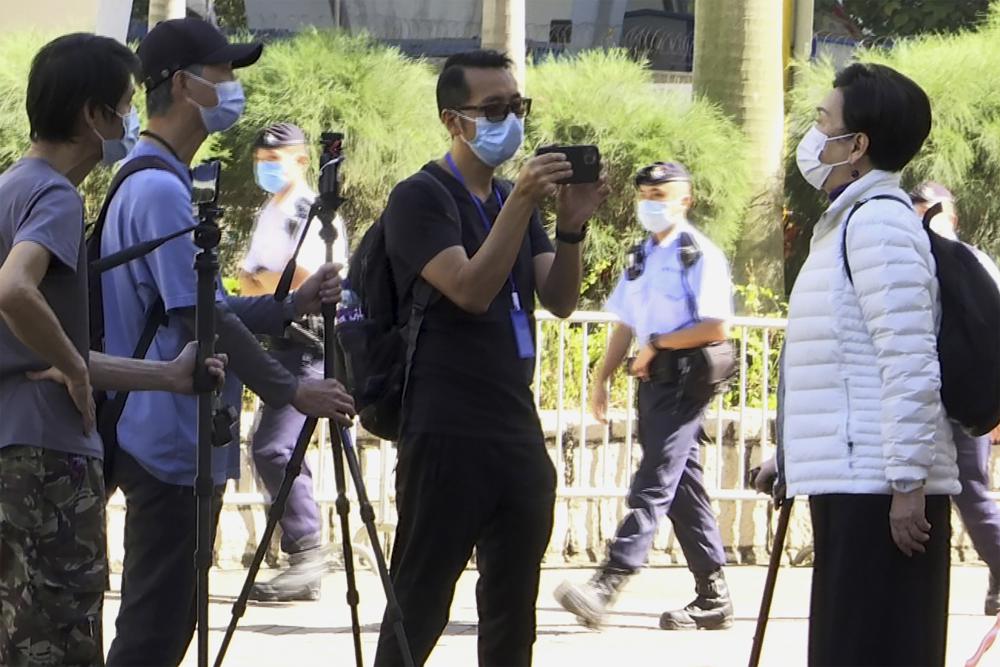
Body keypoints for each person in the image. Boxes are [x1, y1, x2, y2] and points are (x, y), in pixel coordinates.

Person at [98, 19, 355, 666]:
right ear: (184, 85)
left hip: (165, 436)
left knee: (165, 621)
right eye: (224, 74)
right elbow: (197, 318)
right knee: (157, 630)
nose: (233, 88)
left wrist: (287, 305)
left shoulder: (154, 177)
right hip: (166, 442)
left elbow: (196, 300)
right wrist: (290, 387)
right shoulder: (158, 186)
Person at [372, 49, 609, 666]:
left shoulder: (511, 199)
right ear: (454, 121)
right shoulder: (420, 198)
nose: (510, 119)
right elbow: (472, 289)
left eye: (517, 106)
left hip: (514, 427)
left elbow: (557, 298)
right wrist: (523, 203)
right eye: (494, 109)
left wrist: (572, 229)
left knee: (512, 613)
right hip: (445, 425)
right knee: (419, 604)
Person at [0, 33, 225, 666]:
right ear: (92, 115)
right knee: (61, 641)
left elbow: (44, 352)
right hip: (48, 463)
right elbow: (15, 292)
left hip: (12, 450)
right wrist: (74, 367)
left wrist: (169, 376)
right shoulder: (55, 195)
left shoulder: (10, 189)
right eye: (124, 107)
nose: (131, 120)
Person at [782, 63, 958, 666]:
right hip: (854, 482)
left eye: (822, 122)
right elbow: (838, 364)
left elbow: (909, 361)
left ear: (856, 145)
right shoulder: (848, 223)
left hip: (882, 493)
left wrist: (907, 485)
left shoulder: (879, 223)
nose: (812, 135)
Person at [554, 161, 735, 632]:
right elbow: (626, 320)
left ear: (685, 200)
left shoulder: (699, 254)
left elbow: (716, 326)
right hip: (654, 382)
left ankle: (607, 583)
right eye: (646, 196)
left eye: (662, 196)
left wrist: (658, 345)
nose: (652, 204)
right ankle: (713, 595)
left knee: (654, 481)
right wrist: (602, 375)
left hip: (686, 380)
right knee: (682, 486)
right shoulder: (643, 256)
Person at [239, 122, 350, 602]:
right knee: (270, 446)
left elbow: (309, 278)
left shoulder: (305, 210)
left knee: (273, 448)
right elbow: (252, 283)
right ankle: (302, 555)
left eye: (276, 156)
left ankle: (306, 555)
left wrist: (263, 280)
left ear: (303, 160)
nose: (267, 164)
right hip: (284, 339)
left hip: (308, 341)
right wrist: (262, 281)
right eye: (262, 156)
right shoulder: (274, 209)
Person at [910, 181, 1000, 615]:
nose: (922, 218)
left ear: (952, 216)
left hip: (963, 400)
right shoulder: (916, 260)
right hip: (929, 394)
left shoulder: (972, 261)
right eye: (916, 210)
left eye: (930, 210)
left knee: (971, 492)